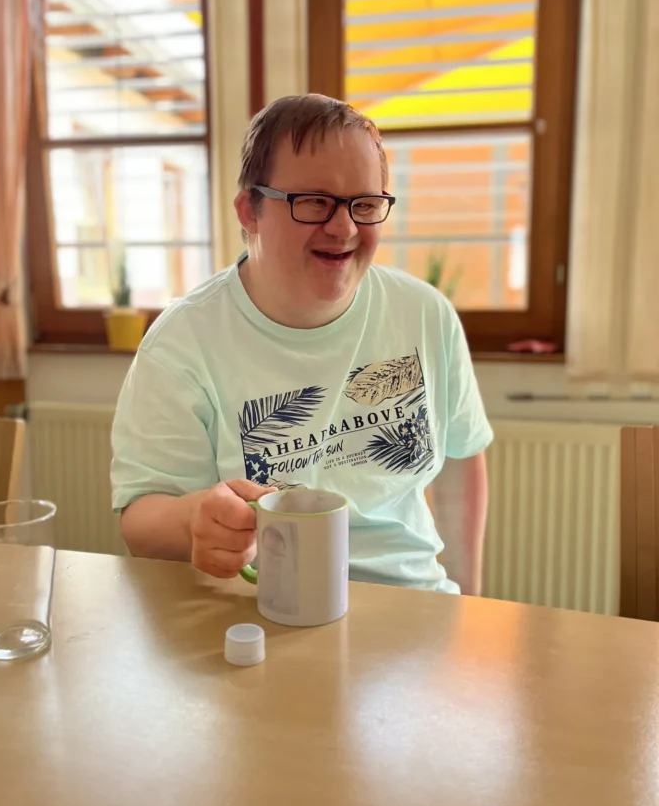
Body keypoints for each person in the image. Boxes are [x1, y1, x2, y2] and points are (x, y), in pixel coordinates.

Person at [111, 94, 492, 595]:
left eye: (365, 204)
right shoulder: (183, 342)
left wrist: (469, 604)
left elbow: (462, 460)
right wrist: (191, 522)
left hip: (413, 605)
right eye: (314, 201)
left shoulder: (424, 314)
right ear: (250, 210)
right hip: (262, 613)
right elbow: (140, 519)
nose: (344, 228)